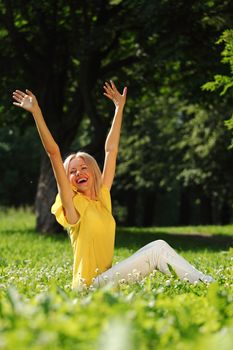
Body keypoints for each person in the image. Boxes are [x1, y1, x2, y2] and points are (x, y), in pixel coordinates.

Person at [12, 81, 214, 290]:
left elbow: (111, 150)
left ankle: (203, 283)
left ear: (92, 170)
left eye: (83, 168)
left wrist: (119, 109)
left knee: (157, 246)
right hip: (88, 286)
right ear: (68, 179)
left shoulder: (101, 199)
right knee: (157, 250)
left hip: (106, 280)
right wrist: (36, 112)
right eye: (71, 171)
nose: (78, 173)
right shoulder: (72, 205)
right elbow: (53, 153)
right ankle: (208, 285)